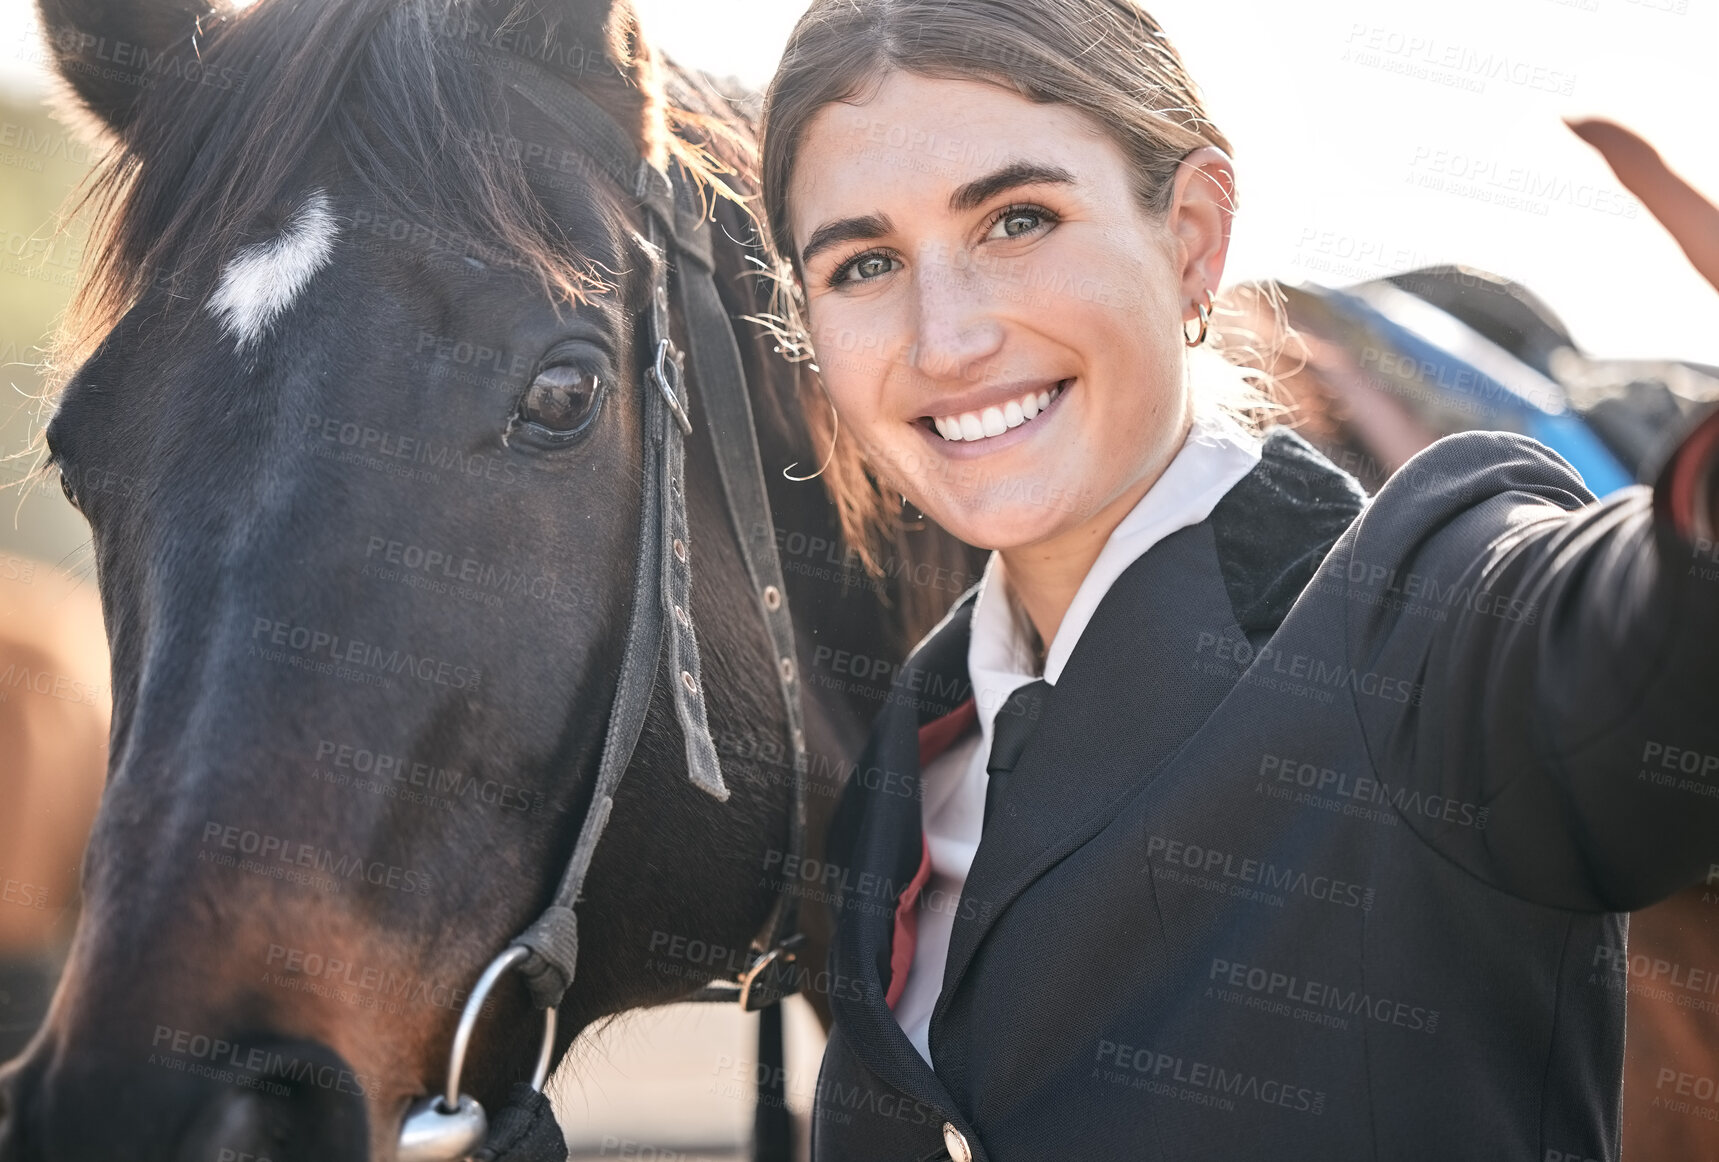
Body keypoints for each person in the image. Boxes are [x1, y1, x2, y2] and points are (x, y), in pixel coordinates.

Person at [753, 1, 1719, 1159]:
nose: (945, 338)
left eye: (1018, 219)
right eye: (865, 264)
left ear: (1196, 235)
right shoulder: (905, 763)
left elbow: (1631, 656)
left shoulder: (1418, 615)